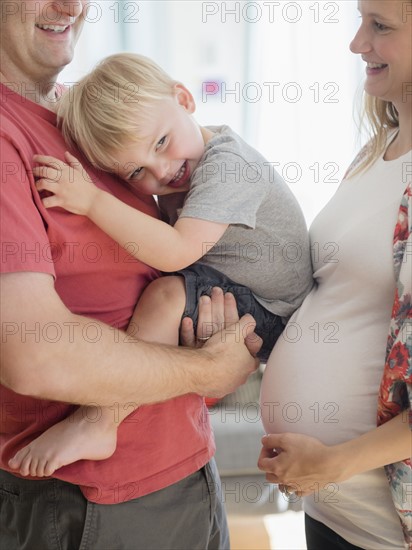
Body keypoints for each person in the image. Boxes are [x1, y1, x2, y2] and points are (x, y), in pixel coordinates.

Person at [0, 1, 261, 548]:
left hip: (184, 469)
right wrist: (205, 370)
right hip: (95, 504)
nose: (69, 5)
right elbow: (34, 354)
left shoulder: (84, 119)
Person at [6, 52, 314, 478]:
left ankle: (100, 421)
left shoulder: (228, 168)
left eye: (162, 143)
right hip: (249, 298)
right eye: (136, 171)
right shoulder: (184, 172)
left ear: (184, 99)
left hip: (275, 312)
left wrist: (92, 200)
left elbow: (175, 252)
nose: (163, 171)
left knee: (167, 293)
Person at [259, 0, 411, 548]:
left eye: (380, 27)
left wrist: (334, 462)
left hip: (383, 526)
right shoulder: (376, 152)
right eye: (359, 21)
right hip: (331, 511)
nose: (356, 44)